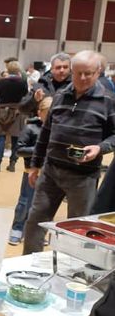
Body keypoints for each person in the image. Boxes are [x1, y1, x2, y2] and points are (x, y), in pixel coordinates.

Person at [23, 50, 115, 255]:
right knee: (34, 223)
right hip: (50, 172)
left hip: (83, 177)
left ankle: (73, 271)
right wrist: (35, 165)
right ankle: (29, 266)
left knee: (78, 229)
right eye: (78, 73)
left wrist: (100, 148)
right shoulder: (60, 96)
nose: (82, 78)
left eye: (88, 73)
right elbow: (45, 134)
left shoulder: (108, 101)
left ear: (98, 72)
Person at [8, 97, 52, 246]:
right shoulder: (30, 128)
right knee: (25, 202)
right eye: (48, 113)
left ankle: (37, 232)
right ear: (40, 113)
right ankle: (17, 229)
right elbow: (19, 149)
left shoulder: (57, 130)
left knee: (45, 205)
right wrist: (40, 150)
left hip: (51, 173)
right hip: (31, 170)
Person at [0, 61, 28, 173]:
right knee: (15, 138)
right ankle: (12, 164)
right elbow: (25, 95)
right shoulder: (23, 82)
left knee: (0, 137)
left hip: (1, 112)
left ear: (8, 70)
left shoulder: (2, 82)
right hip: (17, 112)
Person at [19, 52, 71, 116]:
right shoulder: (41, 86)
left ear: (70, 69)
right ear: (51, 69)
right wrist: (34, 99)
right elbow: (22, 109)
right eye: (58, 67)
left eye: (65, 67)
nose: (62, 70)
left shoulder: (76, 86)